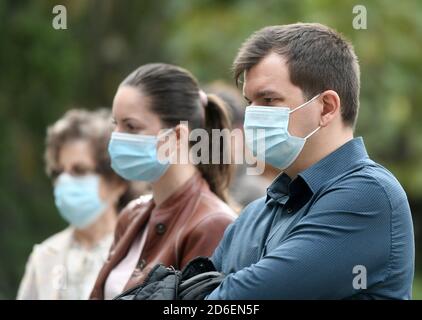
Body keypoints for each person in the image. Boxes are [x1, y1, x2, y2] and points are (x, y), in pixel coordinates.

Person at [206, 23, 414, 299]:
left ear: (327, 107)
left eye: (268, 100)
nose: (252, 117)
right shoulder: (256, 213)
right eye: (249, 102)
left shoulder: (369, 195)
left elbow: (239, 300)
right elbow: (195, 290)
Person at [90, 63, 236, 300]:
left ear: (177, 136)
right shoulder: (132, 214)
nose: (116, 137)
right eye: (115, 124)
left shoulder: (213, 225)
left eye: (131, 126)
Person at [17, 109, 137, 300]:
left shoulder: (142, 250)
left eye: (79, 170)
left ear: (117, 182)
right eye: (59, 172)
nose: (65, 181)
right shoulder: (43, 257)